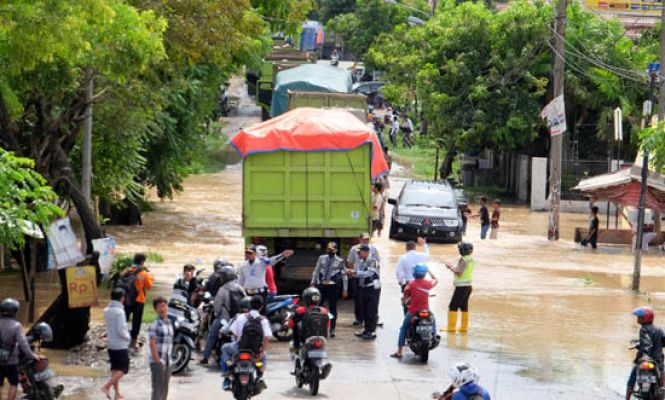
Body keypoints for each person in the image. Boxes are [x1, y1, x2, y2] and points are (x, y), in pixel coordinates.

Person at [221, 296, 272, 391]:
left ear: (250, 305)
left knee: (224, 348)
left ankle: (227, 374)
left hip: (239, 348)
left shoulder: (241, 317)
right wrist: (262, 352)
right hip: (255, 351)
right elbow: (267, 337)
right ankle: (259, 376)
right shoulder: (263, 320)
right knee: (264, 358)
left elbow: (234, 332)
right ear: (261, 307)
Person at [390, 264, 439, 359]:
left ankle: (399, 352)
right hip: (426, 310)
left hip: (413, 311)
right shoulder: (428, 284)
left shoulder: (410, 284)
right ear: (424, 274)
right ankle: (434, 335)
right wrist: (429, 271)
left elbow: (405, 299)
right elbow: (436, 280)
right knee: (433, 321)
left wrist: (405, 302)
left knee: (403, 329)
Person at [201, 265, 245, 365]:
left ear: (227, 277)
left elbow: (217, 307)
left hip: (224, 319)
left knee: (211, 336)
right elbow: (246, 302)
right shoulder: (240, 288)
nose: (221, 278)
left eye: (222, 276)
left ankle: (205, 358)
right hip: (237, 319)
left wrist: (217, 315)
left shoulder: (223, 289)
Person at [0, 298, 39, 400]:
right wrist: (32, 356)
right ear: (14, 312)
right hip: (11, 361)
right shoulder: (16, 326)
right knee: (13, 383)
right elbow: (23, 344)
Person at [626, 307, 665, 400]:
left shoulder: (643, 329)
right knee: (662, 369)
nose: (638, 319)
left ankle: (627, 397)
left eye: (639, 317)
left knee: (632, 379)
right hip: (657, 361)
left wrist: (644, 351)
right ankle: (662, 387)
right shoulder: (659, 330)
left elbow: (647, 344)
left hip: (646, 359)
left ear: (645, 319)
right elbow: (663, 342)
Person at [310, 242, 348, 337]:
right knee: (319, 307)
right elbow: (316, 270)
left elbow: (344, 276)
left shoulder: (340, 261)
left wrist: (345, 289)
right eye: (328, 249)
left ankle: (332, 329)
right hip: (321, 285)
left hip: (333, 286)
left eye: (332, 249)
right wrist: (312, 283)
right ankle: (319, 328)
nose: (330, 251)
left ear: (336, 250)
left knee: (333, 308)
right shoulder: (321, 258)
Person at [102, 289, 131, 400]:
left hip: (110, 343)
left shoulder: (106, 310)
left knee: (115, 369)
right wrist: (128, 337)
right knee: (124, 368)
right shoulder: (119, 311)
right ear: (122, 298)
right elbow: (120, 329)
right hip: (120, 344)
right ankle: (107, 386)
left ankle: (117, 394)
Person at [348, 244, 381, 340]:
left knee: (371, 310)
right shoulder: (363, 262)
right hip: (364, 288)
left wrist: (355, 273)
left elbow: (369, 273)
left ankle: (371, 331)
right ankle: (366, 330)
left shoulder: (373, 261)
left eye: (360, 252)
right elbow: (360, 274)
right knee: (365, 310)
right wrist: (352, 273)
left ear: (366, 252)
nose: (358, 253)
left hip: (372, 289)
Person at [123, 253, 153, 350]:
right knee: (136, 321)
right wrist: (151, 277)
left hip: (126, 299)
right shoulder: (143, 274)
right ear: (142, 262)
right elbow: (149, 286)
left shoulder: (126, 271)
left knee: (124, 319)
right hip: (138, 300)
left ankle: (121, 339)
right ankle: (133, 342)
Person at [444, 242, 475, 333]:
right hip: (468, 286)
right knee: (464, 307)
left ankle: (451, 328)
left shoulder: (463, 259)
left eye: (460, 249)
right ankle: (463, 328)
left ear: (463, 251)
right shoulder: (471, 260)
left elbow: (459, 272)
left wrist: (450, 267)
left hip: (461, 287)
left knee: (452, 306)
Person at [147, 296, 173, 400]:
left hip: (168, 361)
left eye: (164, 306)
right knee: (157, 389)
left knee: (165, 388)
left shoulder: (169, 323)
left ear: (167, 307)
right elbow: (152, 343)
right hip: (158, 361)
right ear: (156, 310)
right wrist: (157, 360)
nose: (162, 309)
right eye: (159, 307)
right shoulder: (155, 324)